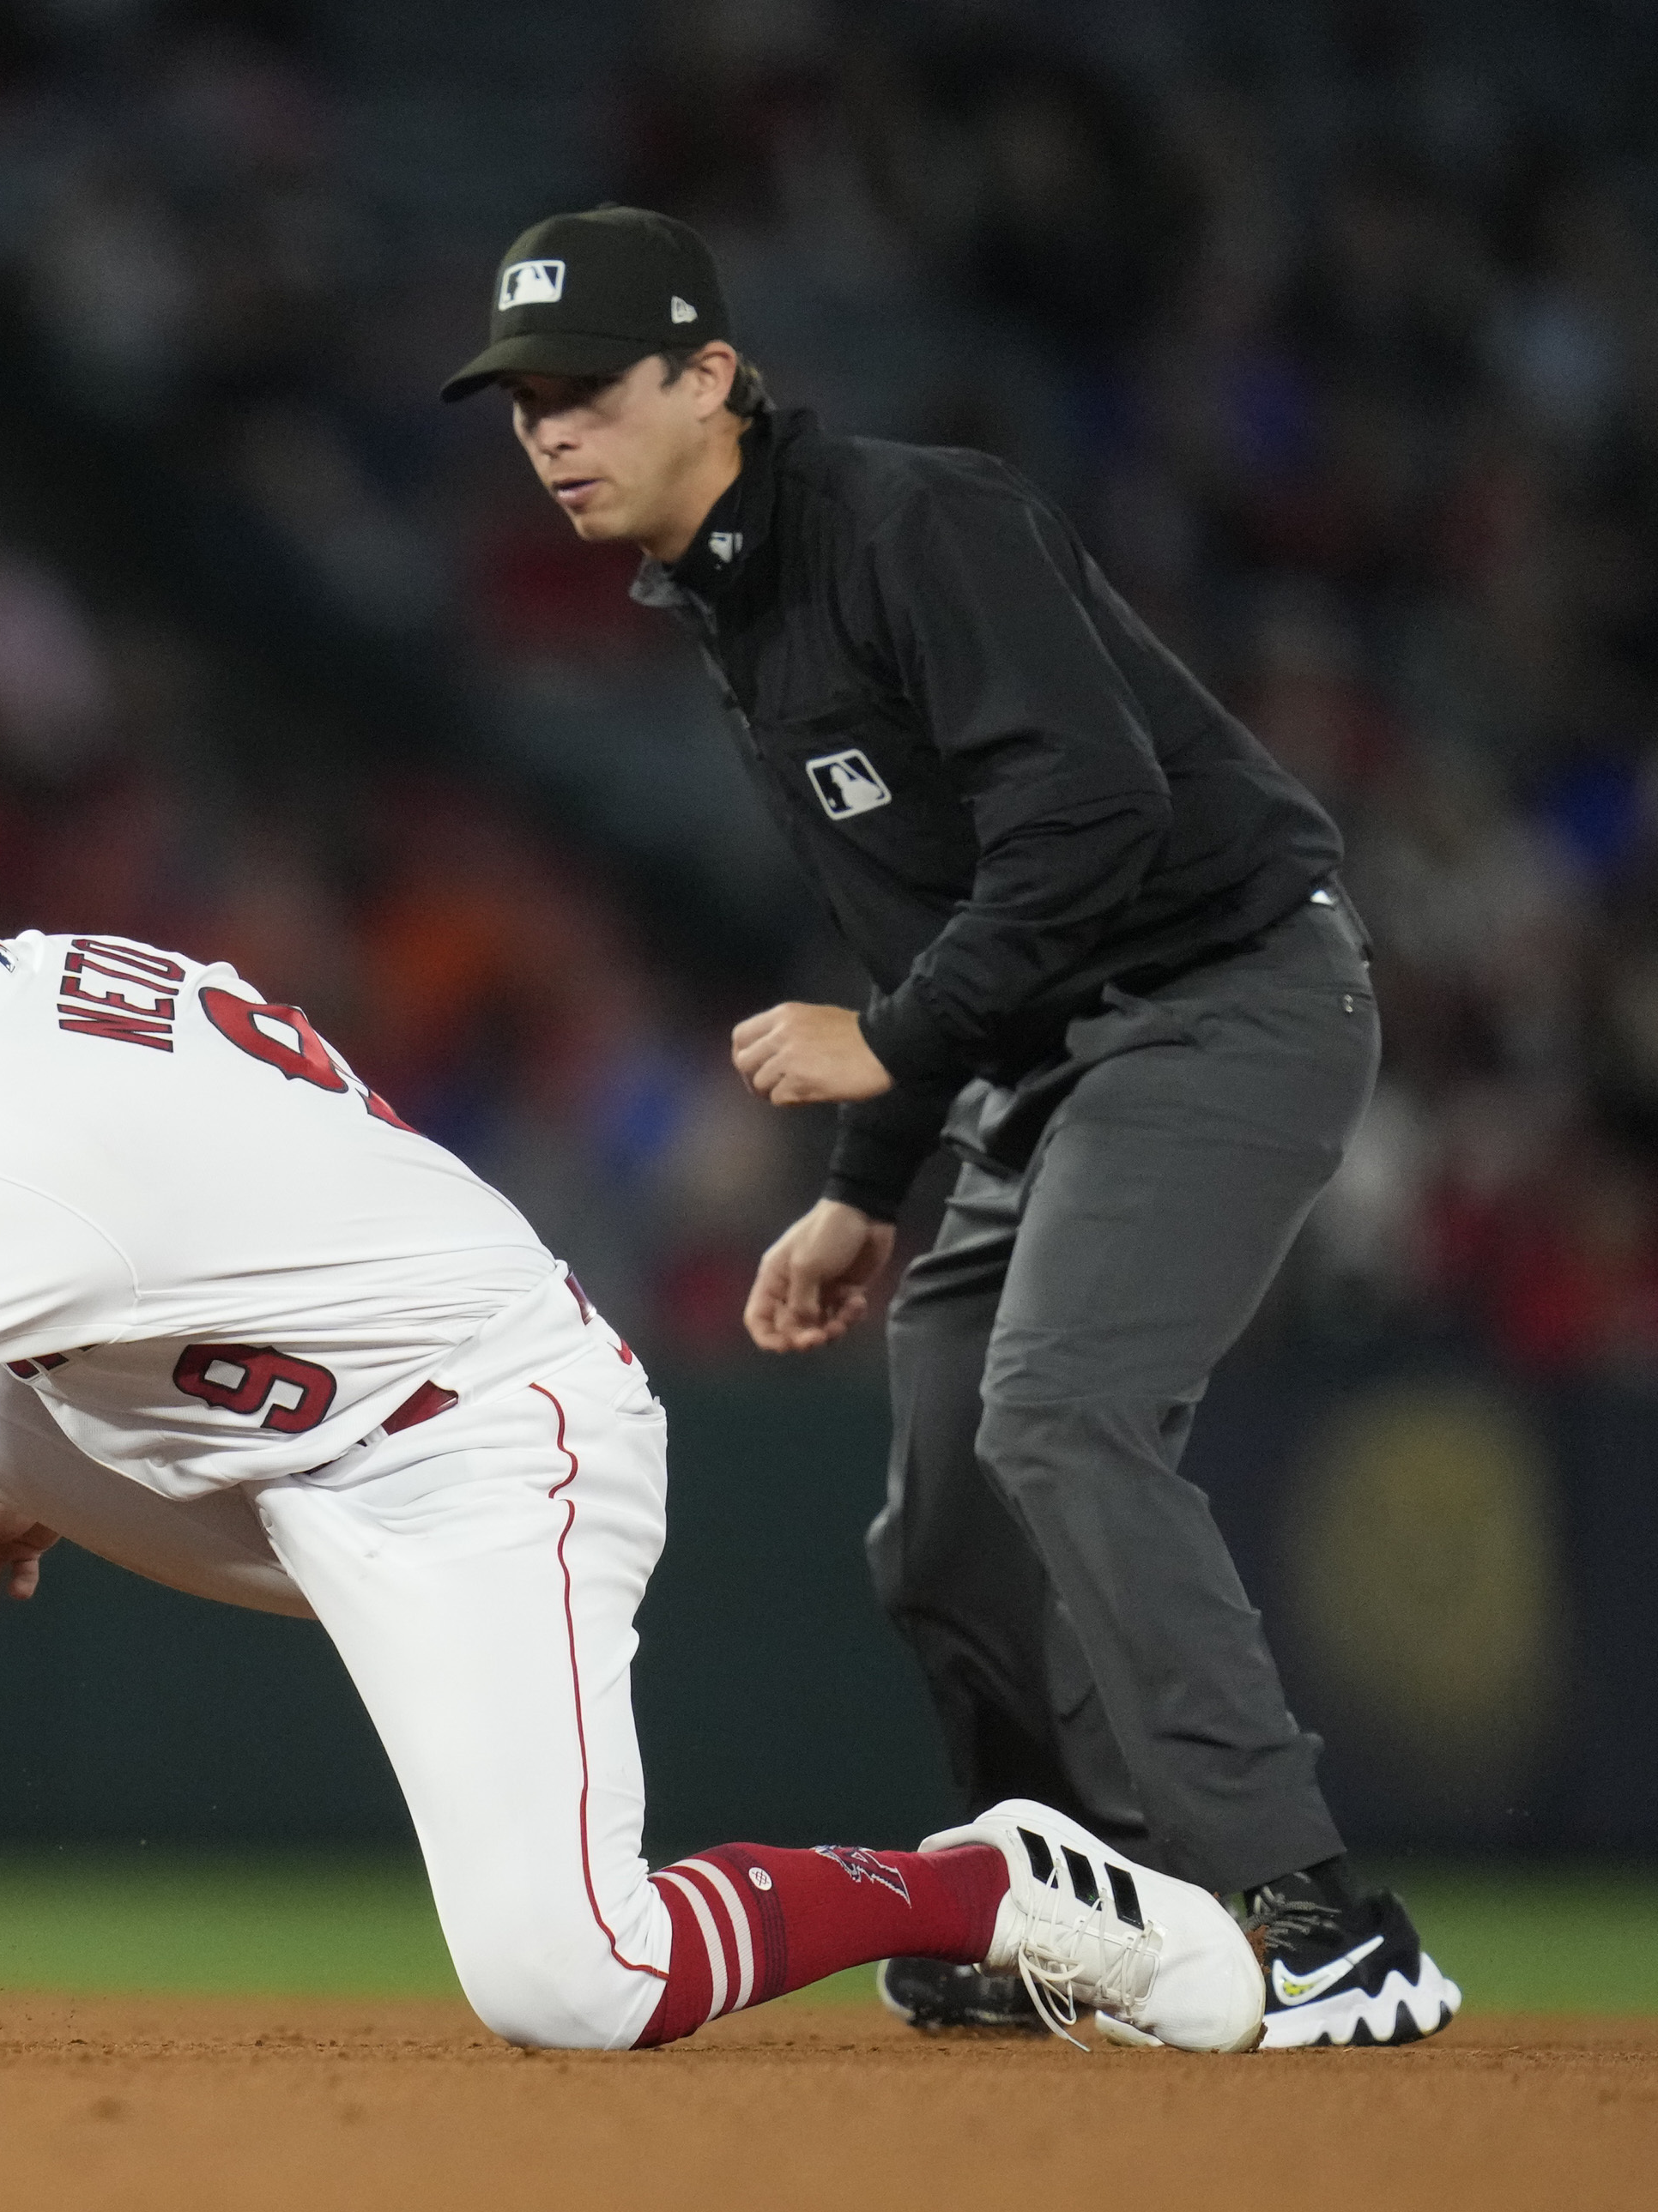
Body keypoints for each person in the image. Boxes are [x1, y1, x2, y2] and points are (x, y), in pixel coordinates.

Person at [0, 687, 1265, 2054]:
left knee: (571, 1981)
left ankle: (981, 1886)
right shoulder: (43, 1019)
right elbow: (287, 1188)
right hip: (250, 1420)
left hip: (477, 1449)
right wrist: (56, 1434)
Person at [442, 204, 1460, 2048]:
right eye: (523, 402)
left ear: (714, 378)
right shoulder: (734, 596)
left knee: (1062, 1409)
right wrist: (865, 1188)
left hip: (1223, 995)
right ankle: (1087, 1905)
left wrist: (892, 1044)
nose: (549, 430)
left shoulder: (915, 520)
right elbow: (927, 912)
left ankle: (1320, 1916)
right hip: (1040, 1055)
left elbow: (1096, 821)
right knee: (940, 1525)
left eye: (587, 387)